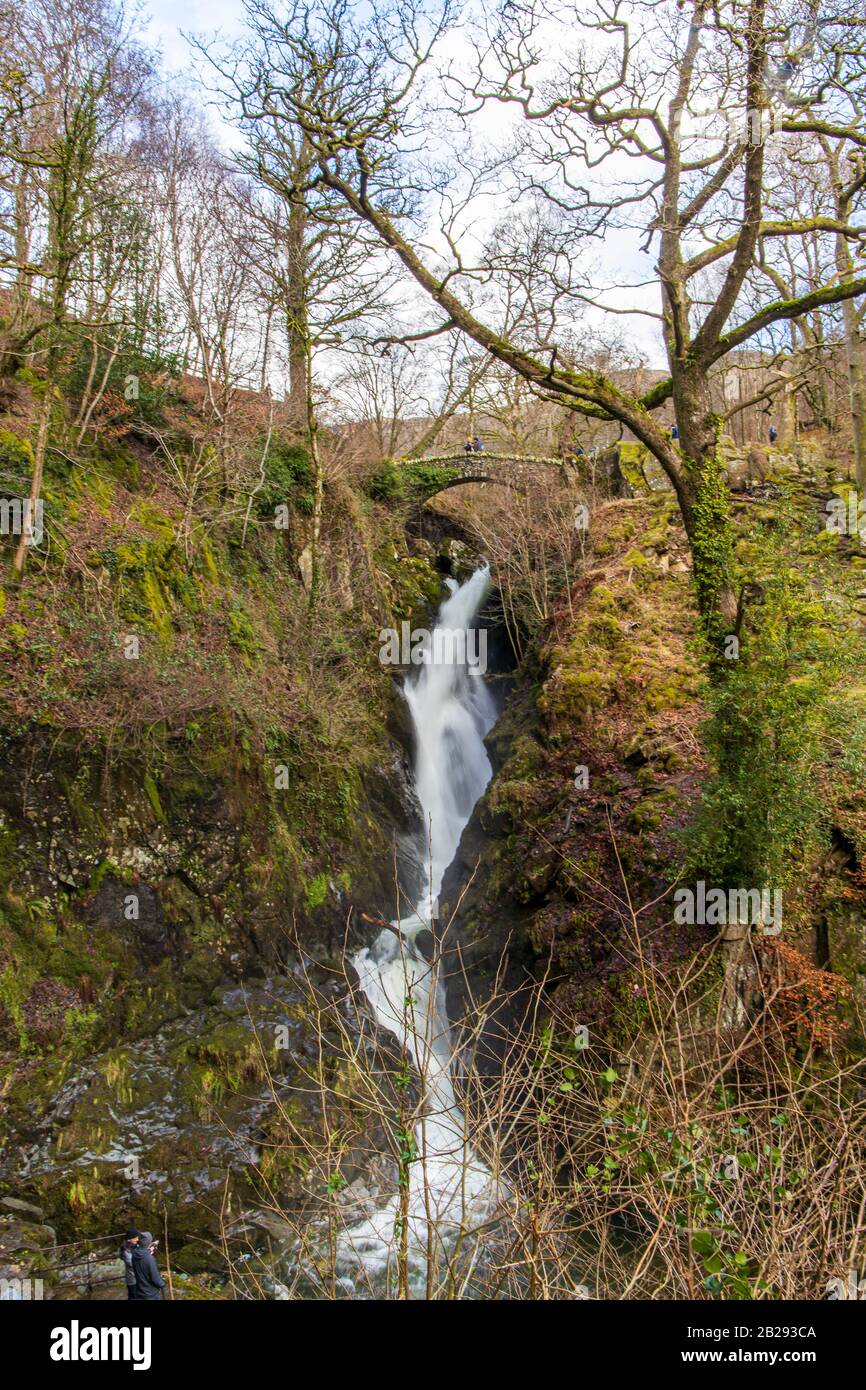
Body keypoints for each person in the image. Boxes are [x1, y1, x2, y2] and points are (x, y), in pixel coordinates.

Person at [132, 1230, 166, 1301]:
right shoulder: (149, 1259)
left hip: (140, 1291)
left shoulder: (134, 1254)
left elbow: (142, 1253)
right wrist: (163, 1283)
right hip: (150, 1295)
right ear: (148, 1243)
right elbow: (156, 1280)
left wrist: (150, 1249)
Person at [119, 1229, 141, 1299]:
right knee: (133, 1297)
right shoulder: (125, 1251)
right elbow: (133, 1264)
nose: (137, 1239)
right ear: (129, 1239)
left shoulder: (135, 1245)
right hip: (132, 1279)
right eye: (135, 1238)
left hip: (138, 1277)